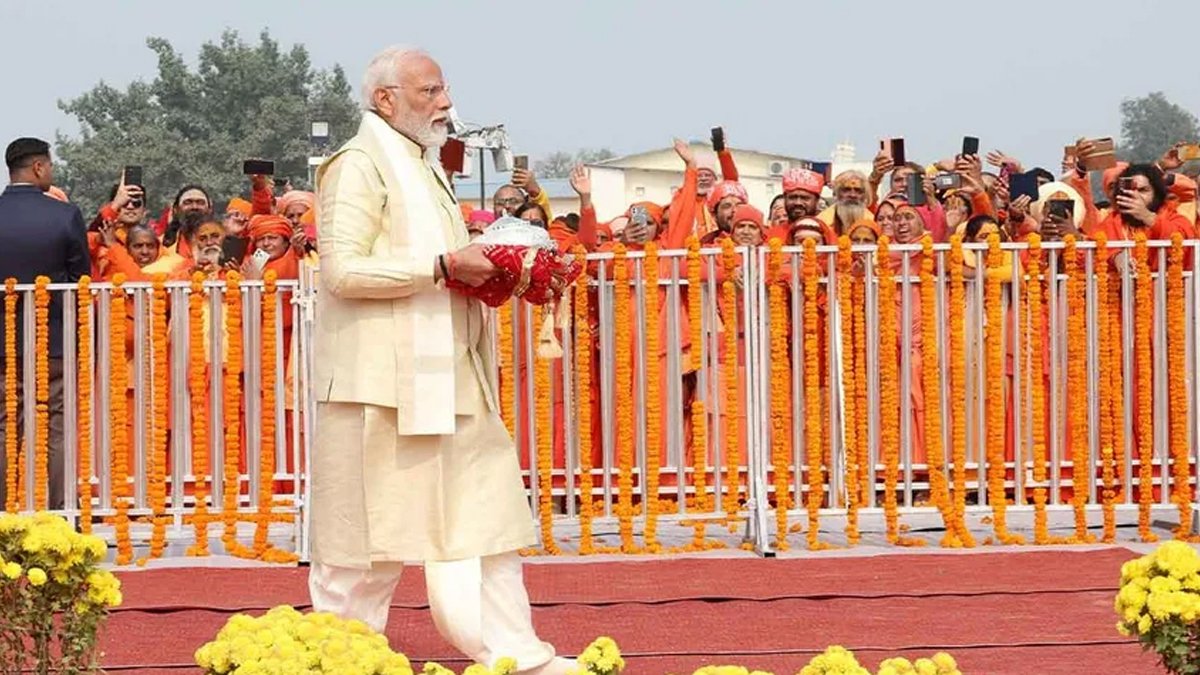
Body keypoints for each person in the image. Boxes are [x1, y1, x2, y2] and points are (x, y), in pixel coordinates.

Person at [308, 46, 574, 675]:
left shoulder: (422, 164)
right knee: (364, 547)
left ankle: (518, 658)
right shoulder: (358, 165)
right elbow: (343, 271)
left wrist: (500, 267)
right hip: (380, 389)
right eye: (431, 91)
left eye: (443, 89)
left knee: (485, 522)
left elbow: (448, 260)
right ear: (387, 100)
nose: (446, 102)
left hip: (452, 378)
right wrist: (442, 267)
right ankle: (335, 659)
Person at [0, 137, 90, 511]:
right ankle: (61, 514)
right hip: (52, 341)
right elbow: (80, 280)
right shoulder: (64, 215)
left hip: (2, 344)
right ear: (39, 167)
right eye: (49, 166)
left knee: (5, 425)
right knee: (57, 426)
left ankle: (3, 518)